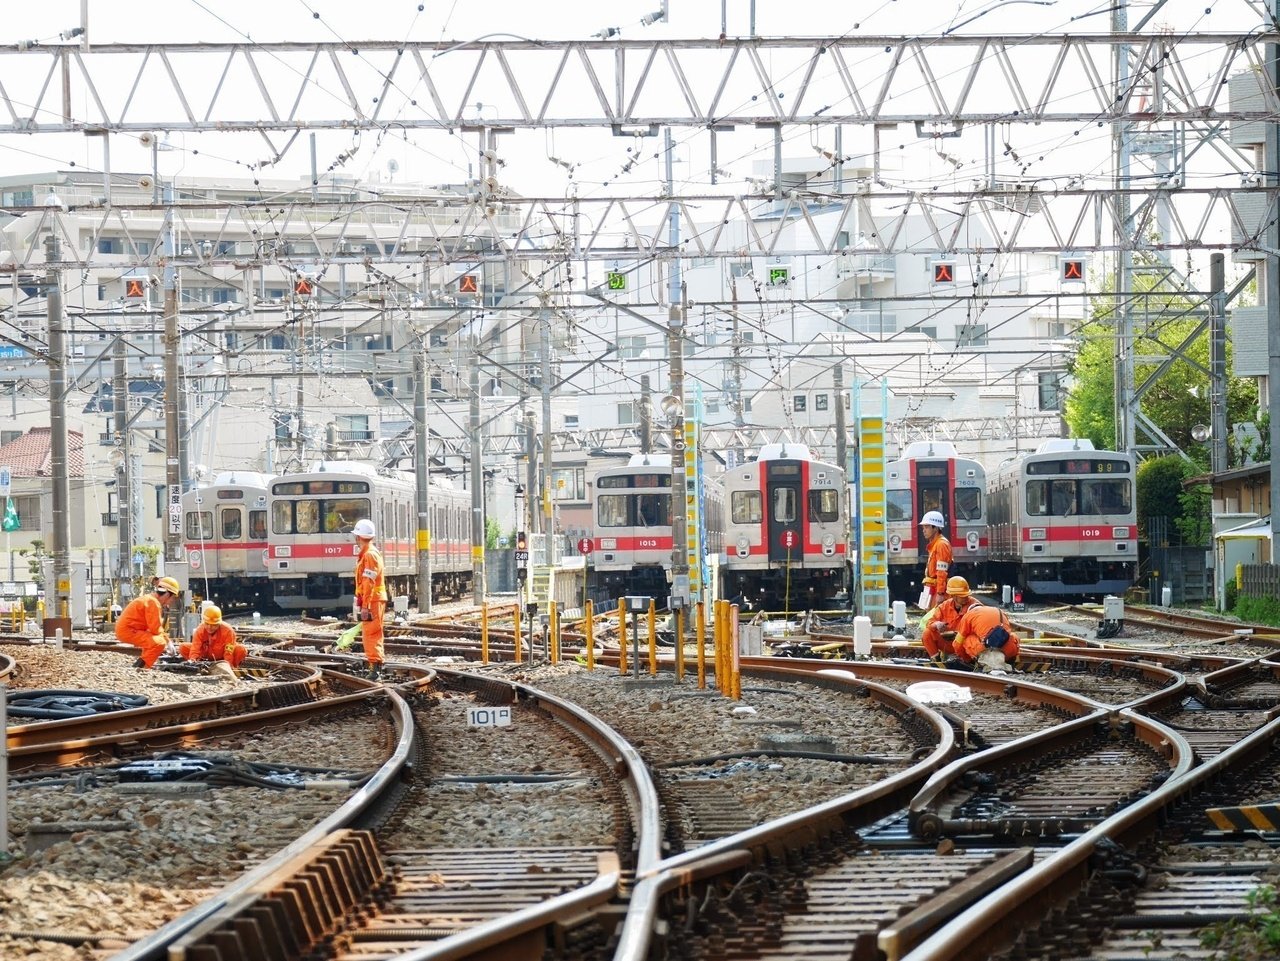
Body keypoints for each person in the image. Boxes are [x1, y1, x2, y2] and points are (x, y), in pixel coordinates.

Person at [115, 576, 180, 668]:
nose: (171, 602)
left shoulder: (150, 600)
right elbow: (155, 629)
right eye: (172, 598)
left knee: (152, 641)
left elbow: (154, 629)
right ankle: (141, 667)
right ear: (167, 595)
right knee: (159, 643)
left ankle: (141, 665)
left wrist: (167, 640)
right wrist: (168, 642)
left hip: (128, 630)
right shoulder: (153, 603)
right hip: (128, 631)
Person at [352, 518, 386, 679]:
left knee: (372, 634)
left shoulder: (370, 555)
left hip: (373, 600)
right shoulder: (368, 554)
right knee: (370, 633)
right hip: (372, 599)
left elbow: (368, 581)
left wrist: (365, 605)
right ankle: (375, 666)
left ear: (358, 537)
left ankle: (375, 669)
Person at [920, 576, 983, 664]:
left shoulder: (976, 606)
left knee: (973, 641)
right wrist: (937, 624)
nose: (965, 597)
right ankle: (936, 661)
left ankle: (970, 662)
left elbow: (981, 632)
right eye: (962, 596)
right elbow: (930, 623)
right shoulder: (944, 606)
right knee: (927, 633)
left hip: (965, 645)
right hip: (950, 644)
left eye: (966, 595)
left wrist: (960, 635)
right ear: (953, 596)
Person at [948, 603, 1021, 670]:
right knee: (1013, 636)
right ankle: (1009, 661)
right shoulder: (999, 611)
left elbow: (957, 644)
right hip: (1007, 652)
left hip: (986, 652)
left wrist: (966, 659)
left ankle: (981, 661)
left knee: (966, 639)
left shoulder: (969, 615)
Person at [179, 605, 246, 668]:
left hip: (222, 657)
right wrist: (193, 661)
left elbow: (229, 652)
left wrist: (227, 667)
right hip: (205, 656)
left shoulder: (228, 631)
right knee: (183, 647)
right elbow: (195, 649)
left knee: (240, 650)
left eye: (213, 625)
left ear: (219, 623)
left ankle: (233, 667)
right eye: (207, 624)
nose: (209, 627)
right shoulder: (200, 630)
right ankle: (200, 665)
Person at [918, 510, 953, 610]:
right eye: (923, 527)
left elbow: (942, 571)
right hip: (933, 587)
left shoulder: (941, 545)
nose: (924, 530)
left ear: (936, 528)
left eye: (927, 527)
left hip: (937, 589)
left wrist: (940, 593)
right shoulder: (935, 544)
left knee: (936, 616)